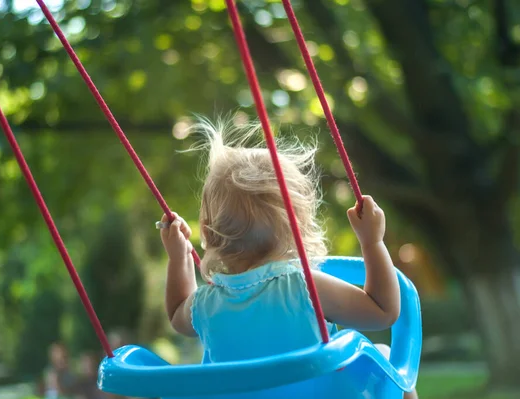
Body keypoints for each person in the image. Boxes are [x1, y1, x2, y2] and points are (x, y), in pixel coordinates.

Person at [158, 118, 418, 399]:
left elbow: (175, 314)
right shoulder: (306, 288)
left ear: (208, 232)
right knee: (384, 356)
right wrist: (372, 241)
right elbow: (383, 312)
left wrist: (178, 256)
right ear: (299, 224)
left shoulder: (205, 304)